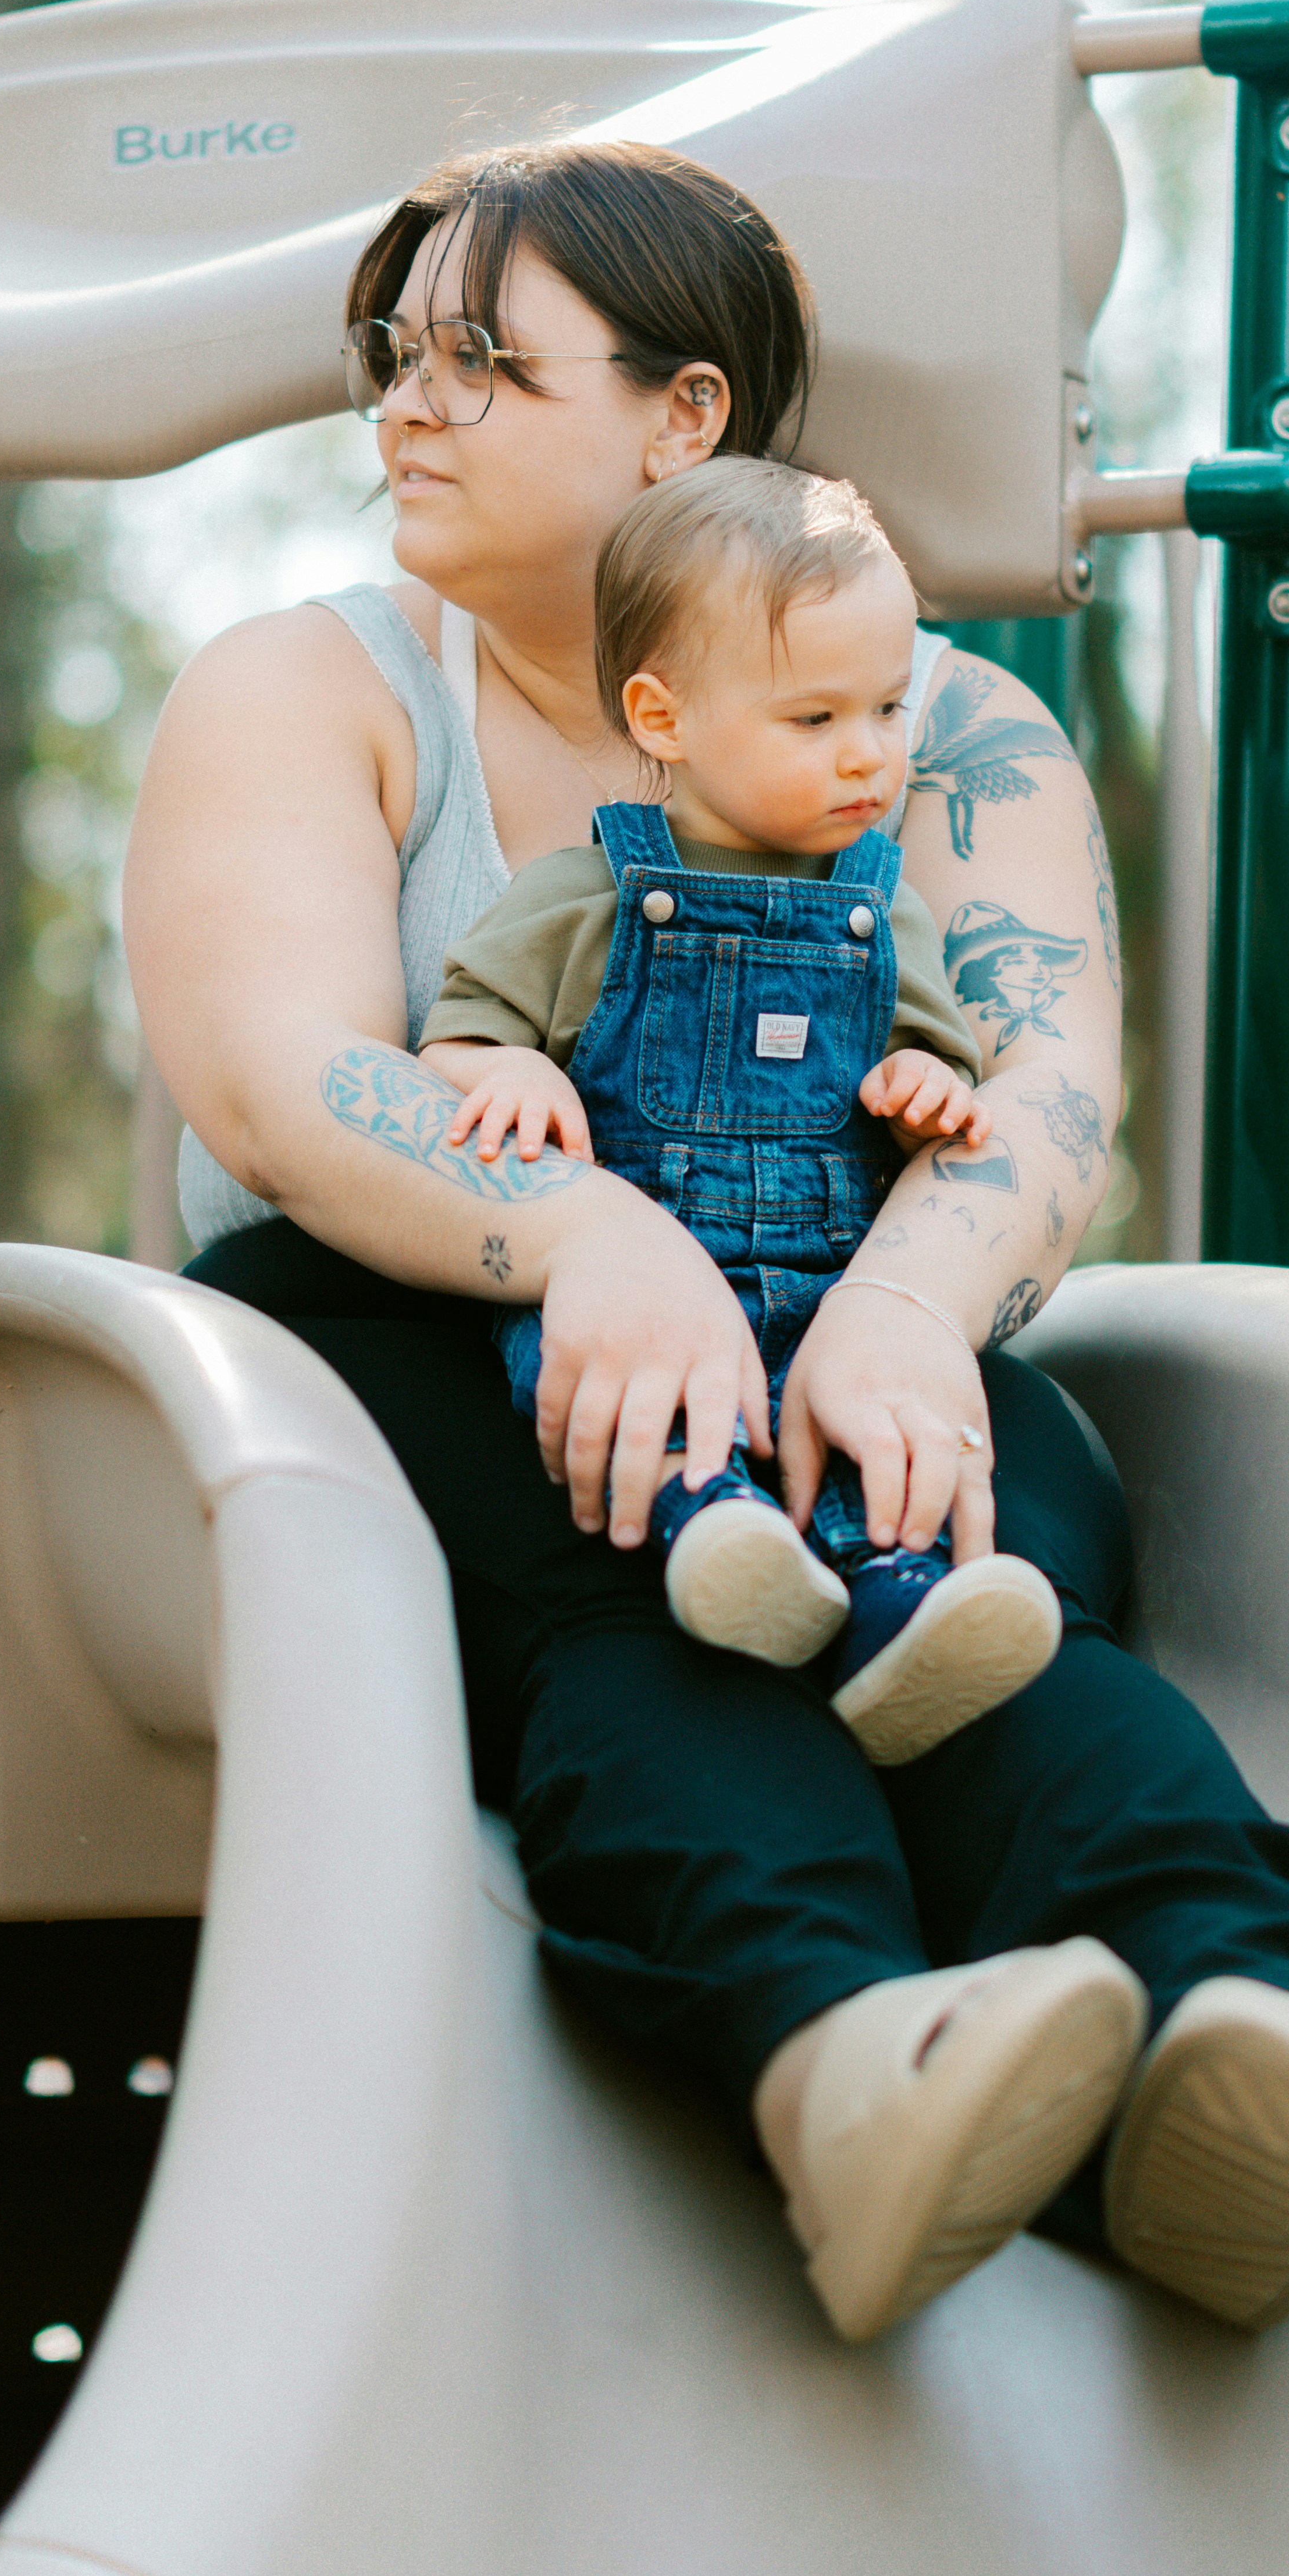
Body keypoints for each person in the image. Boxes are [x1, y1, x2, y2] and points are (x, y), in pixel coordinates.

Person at [125, 137, 1289, 2345]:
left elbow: (1038, 1097)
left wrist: (904, 1312)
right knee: (644, 1610)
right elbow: (276, 1082)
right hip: (424, 1356)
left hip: (837, 1316)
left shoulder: (930, 727)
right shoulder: (313, 690)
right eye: (392, 356)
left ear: (682, 414)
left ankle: (1226, 2029)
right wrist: (592, 1237)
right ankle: (835, 2054)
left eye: (479, 361)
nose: (401, 407)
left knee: (981, 1606)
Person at [418, 459, 1068, 1767]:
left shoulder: (888, 909)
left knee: (869, 1434)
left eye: (887, 706)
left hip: (831, 1292)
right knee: (636, 1398)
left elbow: (935, 1051)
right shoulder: (589, 892)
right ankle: (710, 1529)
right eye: (815, 715)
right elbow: (456, 1032)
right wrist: (512, 1070)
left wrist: (924, 1092)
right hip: (652, 1282)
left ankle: (895, 1598)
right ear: (664, 715)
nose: (869, 752)